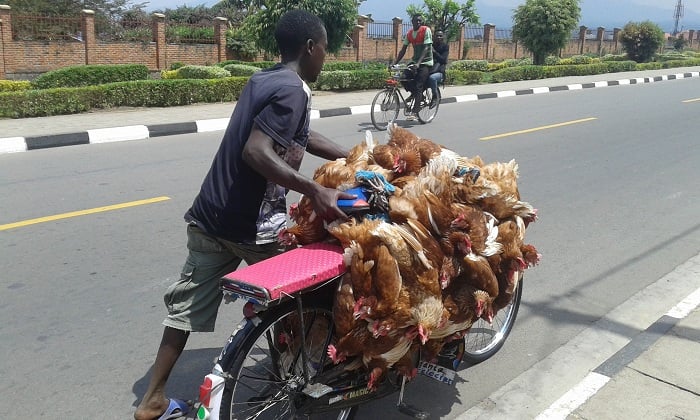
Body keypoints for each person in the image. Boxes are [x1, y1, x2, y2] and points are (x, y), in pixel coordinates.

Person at [133, 9, 354, 420]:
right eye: (326, 49)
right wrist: (315, 189)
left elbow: (298, 135)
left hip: (209, 215)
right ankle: (294, 377)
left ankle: (152, 401)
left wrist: (351, 154)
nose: (327, 57)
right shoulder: (295, 90)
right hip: (252, 226)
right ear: (310, 47)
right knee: (312, 299)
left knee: (184, 307)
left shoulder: (266, 79)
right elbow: (256, 151)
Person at [391, 14, 433, 120]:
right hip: (414, 61)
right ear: (412, 22)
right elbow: (403, 49)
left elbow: (426, 48)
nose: (418, 22)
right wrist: (394, 62)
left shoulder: (426, 30)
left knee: (419, 86)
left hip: (426, 63)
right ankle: (417, 95)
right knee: (403, 77)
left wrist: (418, 64)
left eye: (420, 21)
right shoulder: (409, 33)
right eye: (416, 21)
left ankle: (415, 111)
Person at [428, 29, 449, 107]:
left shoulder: (445, 46)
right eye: (437, 36)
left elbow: (443, 60)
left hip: (439, 71)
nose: (438, 37)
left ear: (443, 37)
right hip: (430, 68)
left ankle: (435, 97)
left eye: (440, 36)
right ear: (434, 37)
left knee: (432, 78)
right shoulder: (431, 45)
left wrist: (434, 52)